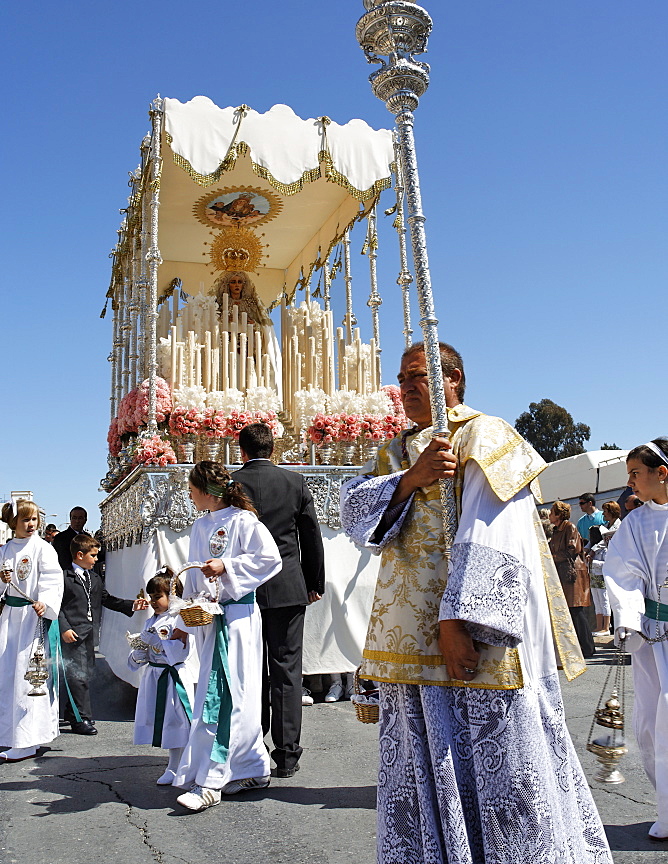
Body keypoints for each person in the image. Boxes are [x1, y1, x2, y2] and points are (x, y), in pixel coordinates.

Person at [341, 341, 613, 864]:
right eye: (402, 378)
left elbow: (494, 531)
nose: (407, 388)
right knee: (418, 764)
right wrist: (410, 480)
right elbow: (357, 518)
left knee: (500, 761)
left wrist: (458, 620)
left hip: (472, 634)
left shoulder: (483, 435)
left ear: (455, 379)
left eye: (419, 376)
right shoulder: (396, 451)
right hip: (407, 636)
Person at [173, 461, 282, 812]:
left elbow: (270, 560)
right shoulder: (200, 525)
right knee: (225, 693)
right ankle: (251, 766)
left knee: (224, 695)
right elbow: (192, 577)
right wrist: (185, 617)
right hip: (207, 619)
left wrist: (228, 566)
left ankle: (212, 781)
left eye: (192, 490)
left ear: (207, 491)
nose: (189, 496)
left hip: (236, 619)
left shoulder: (243, 521)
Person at [233, 422, 324, 776]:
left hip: (243, 588)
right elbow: (310, 534)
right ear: (273, 449)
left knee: (249, 669)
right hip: (287, 585)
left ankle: (251, 747)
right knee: (286, 671)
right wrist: (313, 582)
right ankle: (287, 755)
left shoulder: (232, 484)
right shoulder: (294, 482)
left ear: (241, 451)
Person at [604, 438, 668, 842]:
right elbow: (622, 572)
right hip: (657, 639)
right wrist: (628, 617)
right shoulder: (636, 523)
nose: (630, 483)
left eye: (635, 473)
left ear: (661, 473)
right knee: (651, 724)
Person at [59, 533, 146, 735]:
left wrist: (131, 604)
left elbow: (107, 599)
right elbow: (58, 606)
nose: (97, 559)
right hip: (73, 633)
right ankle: (82, 718)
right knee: (78, 675)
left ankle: (72, 712)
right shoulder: (64, 577)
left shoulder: (94, 577)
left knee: (86, 673)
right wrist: (64, 627)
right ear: (80, 555)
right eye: (93, 555)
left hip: (89, 633)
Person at [0, 499, 63, 762]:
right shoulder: (4, 550)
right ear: (14, 522)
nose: (31, 524)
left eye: (34, 519)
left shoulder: (43, 548)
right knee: (7, 676)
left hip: (30, 620)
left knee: (29, 678)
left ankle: (28, 739)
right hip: (8, 619)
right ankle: (9, 735)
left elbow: (52, 578)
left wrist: (44, 602)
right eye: (26, 520)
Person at [127, 568, 198, 786]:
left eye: (158, 596)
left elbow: (178, 651)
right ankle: (173, 764)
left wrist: (155, 641)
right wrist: (139, 651)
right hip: (155, 676)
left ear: (172, 596)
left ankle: (182, 766)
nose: (153, 601)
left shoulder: (180, 620)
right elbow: (144, 654)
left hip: (173, 676)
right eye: (151, 597)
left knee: (178, 721)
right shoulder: (151, 621)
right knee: (166, 722)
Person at [210, 270, 281, 389]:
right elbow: (213, 325)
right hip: (227, 345)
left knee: (247, 375)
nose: (237, 285)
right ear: (227, 285)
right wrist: (224, 320)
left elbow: (263, 328)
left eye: (239, 282)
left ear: (244, 284)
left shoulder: (252, 305)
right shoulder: (220, 305)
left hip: (247, 347)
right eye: (233, 282)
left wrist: (253, 324)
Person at [549, 501, 596, 657]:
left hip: (572, 573)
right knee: (570, 611)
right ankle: (579, 647)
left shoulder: (570, 527)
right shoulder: (556, 531)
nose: (549, 515)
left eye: (552, 512)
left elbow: (572, 549)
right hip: (563, 573)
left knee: (576, 610)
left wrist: (551, 557)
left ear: (559, 515)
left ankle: (588, 648)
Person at [588, 502, 620, 636]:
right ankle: (599, 624)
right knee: (597, 595)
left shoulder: (619, 526)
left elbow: (604, 542)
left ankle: (606, 626)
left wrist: (593, 549)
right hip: (598, 565)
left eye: (606, 511)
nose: (603, 514)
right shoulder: (604, 526)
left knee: (604, 595)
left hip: (610, 564)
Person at [52, 507, 88, 571]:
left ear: (85, 520)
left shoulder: (88, 537)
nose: (77, 521)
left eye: (80, 518)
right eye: (74, 518)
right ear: (70, 519)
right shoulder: (61, 537)